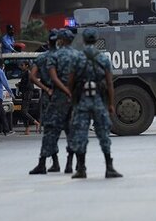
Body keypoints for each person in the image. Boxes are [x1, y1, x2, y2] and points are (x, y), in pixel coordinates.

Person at [68, 28, 122, 179]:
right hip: (99, 100)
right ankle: (109, 167)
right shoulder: (103, 58)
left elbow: (70, 82)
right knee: (104, 133)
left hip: (82, 102)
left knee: (81, 134)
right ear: (97, 40)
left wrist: (73, 100)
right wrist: (111, 104)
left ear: (84, 40)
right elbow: (110, 84)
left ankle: (81, 168)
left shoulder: (77, 58)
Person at [29, 29, 79, 175]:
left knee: (50, 130)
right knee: (71, 130)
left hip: (56, 96)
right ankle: (70, 163)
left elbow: (43, 77)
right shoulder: (77, 55)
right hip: (73, 96)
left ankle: (44, 163)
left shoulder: (50, 56)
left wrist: (51, 89)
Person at [16, 60, 40, 135]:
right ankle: (27, 129)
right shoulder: (24, 73)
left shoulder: (28, 73)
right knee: (24, 111)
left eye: (22, 65)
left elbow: (28, 85)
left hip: (27, 93)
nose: (21, 67)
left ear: (26, 66)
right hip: (25, 93)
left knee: (24, 111)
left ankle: (35, 122)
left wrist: (19, 85)